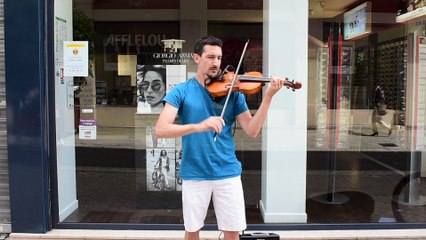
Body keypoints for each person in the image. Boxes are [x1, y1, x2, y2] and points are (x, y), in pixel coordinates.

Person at [155, 35, 288, 240]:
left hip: (227, 171)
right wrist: (200, 126)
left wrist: (268, 96)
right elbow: (161, 129)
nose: (216, 63)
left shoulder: (234, 92)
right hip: (195, 172)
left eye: (219, 57)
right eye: (210, 57)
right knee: (192, 232)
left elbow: (252, 130)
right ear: (197, 58)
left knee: (232, 233)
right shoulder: (182, 91)